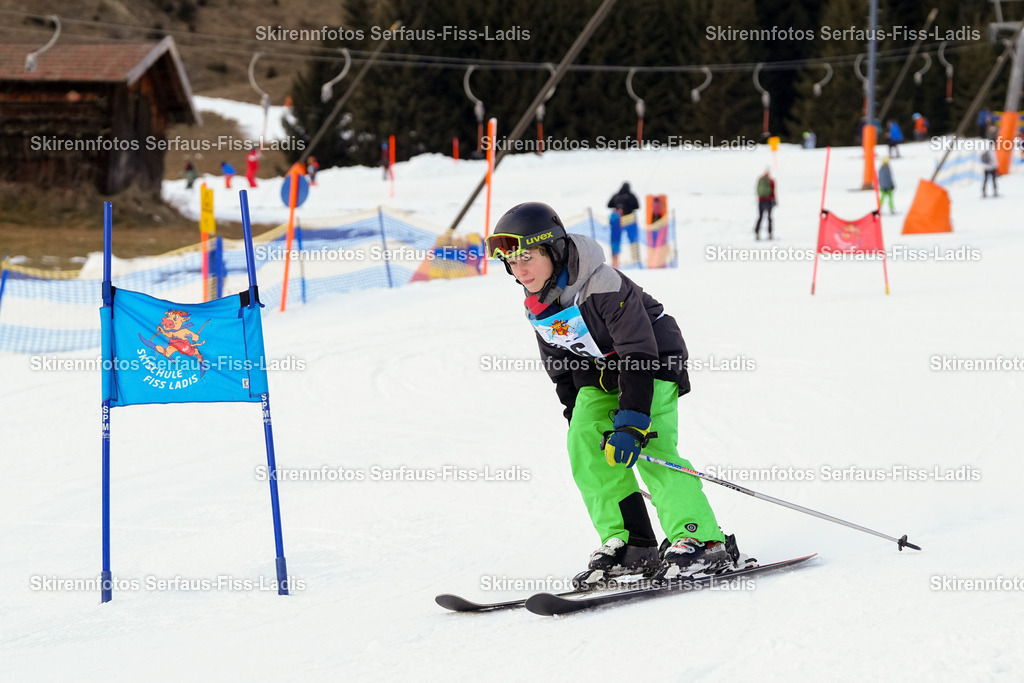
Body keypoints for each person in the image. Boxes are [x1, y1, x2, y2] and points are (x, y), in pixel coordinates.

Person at [484, 202, 742, 584]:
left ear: (553, 250)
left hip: (651, 361)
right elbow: (561, 368)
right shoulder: (538, 306)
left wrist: (632, 423)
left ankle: (701, 539)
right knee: (584, 442)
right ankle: (631, 543)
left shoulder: (602, 285)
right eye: (511, 261)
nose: (519, 270)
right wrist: (579, 420)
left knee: (651, 445)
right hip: (602, 374)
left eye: (528, 257)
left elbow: (638, 351)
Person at [607, 182, 641, 268]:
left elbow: (609, 205)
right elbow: (637, 206)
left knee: (615, 242)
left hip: (617, 221)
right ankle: (635, 260)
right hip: (630, 221)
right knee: (633, 241)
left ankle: (615, 262)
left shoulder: (616, 196)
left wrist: (618, 206)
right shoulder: (631, 196)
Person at [754, 169, 776, 240]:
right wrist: (774, 200)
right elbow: (773, 192)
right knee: (769, 217)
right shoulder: (771, 181)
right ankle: (770, 233)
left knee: (760, 217)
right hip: (769, 201)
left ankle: (757, 232)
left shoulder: (760, 180)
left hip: (761, 201)